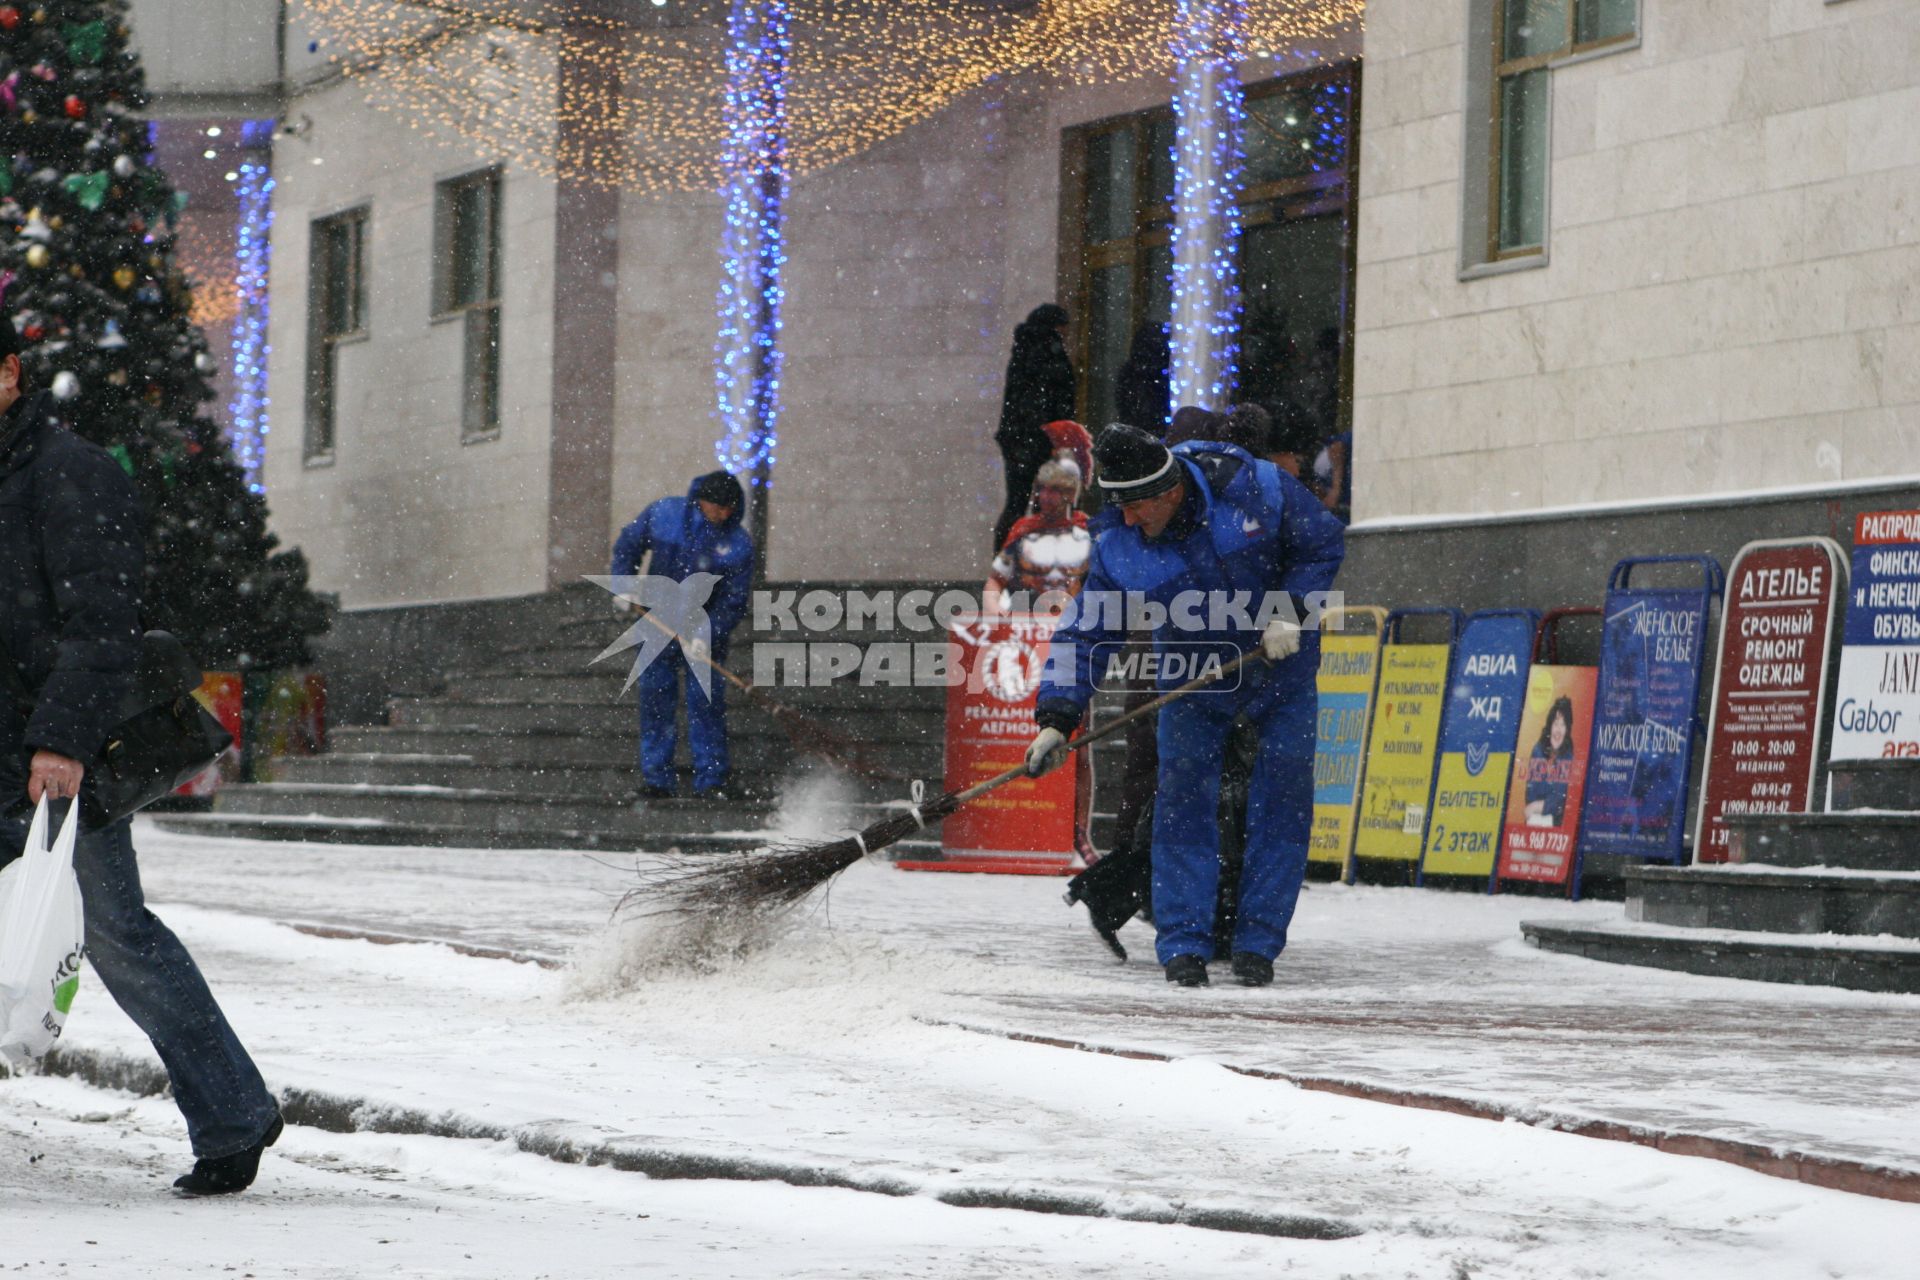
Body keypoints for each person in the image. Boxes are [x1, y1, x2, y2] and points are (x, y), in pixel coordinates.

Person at [0, 327, 282, 1196]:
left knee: (118, 939)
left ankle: (234, 1113)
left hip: (51, 757)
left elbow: (102, 628)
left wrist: (62, 742)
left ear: (9, 374)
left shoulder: (69, 474)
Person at [1027, 424, 1345, 988]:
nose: (1126, 519)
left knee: (1283, 804)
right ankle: (1182, 947)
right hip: (1195, 680)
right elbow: (1085, 632)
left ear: (1168, 492)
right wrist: (1057, 716)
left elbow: (1320, 542)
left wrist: (1292, 609)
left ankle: (1257, 946)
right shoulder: (1120, 545)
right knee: (1182, 807)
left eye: (1134, 505)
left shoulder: (1258, 490)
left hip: (1281, 672)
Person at [610, 471, 753, 801]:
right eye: (717, 507)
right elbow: (628, 545)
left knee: (706, 703)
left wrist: (709, 633)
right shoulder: (665, 515)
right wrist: (623, 586)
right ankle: (657, 780)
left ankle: (712, 780)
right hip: (656, 623)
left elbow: (734, 599)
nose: (724, 514)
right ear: (700, 501)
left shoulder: (738, 544)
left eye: (729, 508)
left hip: (703, 628)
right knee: (656, 700)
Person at [985, 457, 1096, 863]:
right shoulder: (1023, 531)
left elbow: (1101, 583)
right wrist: (994, 615)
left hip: (1071, 643)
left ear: (1070, 494)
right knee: (1020, 732)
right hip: (1022, 643)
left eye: (1054, 490)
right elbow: (995, 580)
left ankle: (1078, 829)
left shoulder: (1089, 532)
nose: (1045, 497)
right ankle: (1014, 827)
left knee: (1078, 742)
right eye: (1042, 489)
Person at [992, 304, 1076, 550]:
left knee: (1017, 503)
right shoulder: (1048, 353)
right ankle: (1037, 561)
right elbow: (1051, 401)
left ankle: (1006, 559)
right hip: (1038, 441)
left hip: (1019, 440)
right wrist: (1056, 440)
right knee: (1046, 504)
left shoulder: (1023, 351)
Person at [1524, 697, 1578, 826]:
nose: (1558, 730)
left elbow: (1560, 799)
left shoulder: (1568, 754)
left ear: (1567, 729)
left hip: (1557, 825)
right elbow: (1531, 792)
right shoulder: (1538, 749)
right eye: (1555, 724)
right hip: (1534, 822)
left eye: (1563, 725)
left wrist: (1539, 806)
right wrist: (1538, 806)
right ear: (1550, 726)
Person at [1113, 322, 1171, 437]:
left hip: (1137, 426)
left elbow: (1123, 402)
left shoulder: (1130, 371)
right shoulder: (1158, 373)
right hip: (1152, 426)